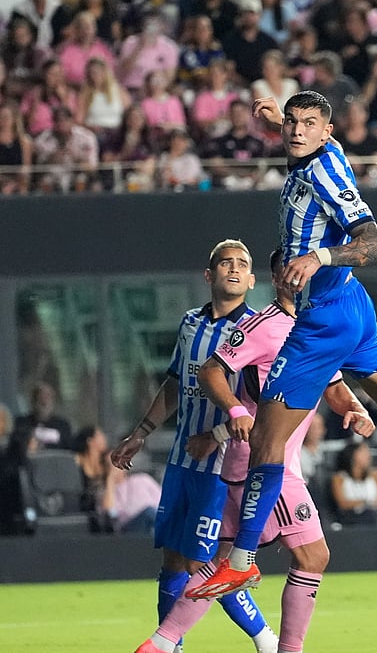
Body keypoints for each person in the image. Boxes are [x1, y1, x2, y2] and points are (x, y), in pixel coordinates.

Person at [187, 90, 377, 601]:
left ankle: (241, 562)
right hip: (350, 306)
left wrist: (319, 257)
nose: (297, 130)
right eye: (291, 122)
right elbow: (303, 144)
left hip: (322, 320)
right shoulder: (315, 155)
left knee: (266, 439)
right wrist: (271, 120)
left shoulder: (326, 172)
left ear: (328, 132)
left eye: (308, 123)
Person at [138, 248, 376, 653]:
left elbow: (333, 385)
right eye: (297, 267)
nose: (306, 274)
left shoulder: (312, 326)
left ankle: (161, 642)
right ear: (280, 276)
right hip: (266, 464)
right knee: (313, 556)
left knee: (221, 565)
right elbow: (211, 369)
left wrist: (353, 407)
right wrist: (230, 410)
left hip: (254, 463)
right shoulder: (262, 326)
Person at [110, 239, 279, 653]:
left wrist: (219, 435)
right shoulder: (190, 324)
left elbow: (261, 408)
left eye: (243, 264)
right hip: (181, 461)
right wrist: (141, 432)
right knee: (172, 557)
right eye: (226, 263)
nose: (234, 269)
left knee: (200, 565)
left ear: (253, 279)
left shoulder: (255, 332)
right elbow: (173, 384)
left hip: (222, 466)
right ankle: (175, 645)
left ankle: (266, 639)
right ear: (209, 275)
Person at [331, 441, 377, 525]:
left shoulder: (376, 475)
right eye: (363, 452)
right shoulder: (339, 478)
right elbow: (342, 503)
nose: (368, 456)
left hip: (375, 517)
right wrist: (367, 503)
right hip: (349, 519)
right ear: (353, 455)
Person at [15, 381, 73, 450]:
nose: (44, 402)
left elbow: (68, 449)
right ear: (33, 401)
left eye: (47, 397)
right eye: (40, 397)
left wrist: (45, 446)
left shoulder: (63, 425)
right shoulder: (22, 423)